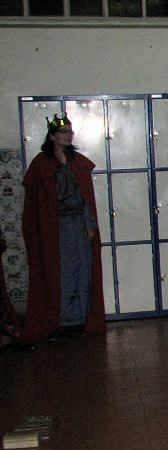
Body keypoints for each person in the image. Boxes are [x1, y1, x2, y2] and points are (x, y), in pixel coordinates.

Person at [22, 114, 104, 342]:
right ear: (52, 137)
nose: (68, 136)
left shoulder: (77, 162)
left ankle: (80, 321)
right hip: (56, 227)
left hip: (78, 226)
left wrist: (89, 225)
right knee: (61, 274)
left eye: (70, 132)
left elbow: (84, 197)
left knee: (82, 272)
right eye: (63, 132)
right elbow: (38, 203)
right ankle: (61, 322)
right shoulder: (42, 164)